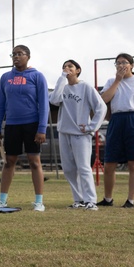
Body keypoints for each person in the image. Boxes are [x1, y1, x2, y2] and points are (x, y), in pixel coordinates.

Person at [0, 45, 50, 211]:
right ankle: (2, 200)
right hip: (12, 125)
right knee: (9, 161)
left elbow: (44, 104)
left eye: (20, 54)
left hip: (32, 125)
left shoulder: (37, 76)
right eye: (14, 54)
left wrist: (42, 129)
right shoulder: (5, 78)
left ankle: (39, 202)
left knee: (34, 162)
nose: (16, 57)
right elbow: (0, 105)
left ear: (28, 56)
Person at [98, 53, 134, 208]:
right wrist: (117, 80)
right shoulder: (111, 81)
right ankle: (108, 198)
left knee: (133, 162)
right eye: (118, 63)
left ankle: (130, 200)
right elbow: (103, 100)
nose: (121, 65)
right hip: (116, 120)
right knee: (109, 162)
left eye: (124, 62)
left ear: (132, 65)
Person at [49, 59, 107, 210]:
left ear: (78, 70)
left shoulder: (85, 87)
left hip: (81, 134)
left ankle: (91, 201)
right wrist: (62, 78)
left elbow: (101, 107)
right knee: (68, 168)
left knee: (83, 167)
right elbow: (54, 100)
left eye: (70, 66)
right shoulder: (63, 87)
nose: (67, 69)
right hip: (64, 132)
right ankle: (79, 199)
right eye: (64, 67)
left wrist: (91, 127)